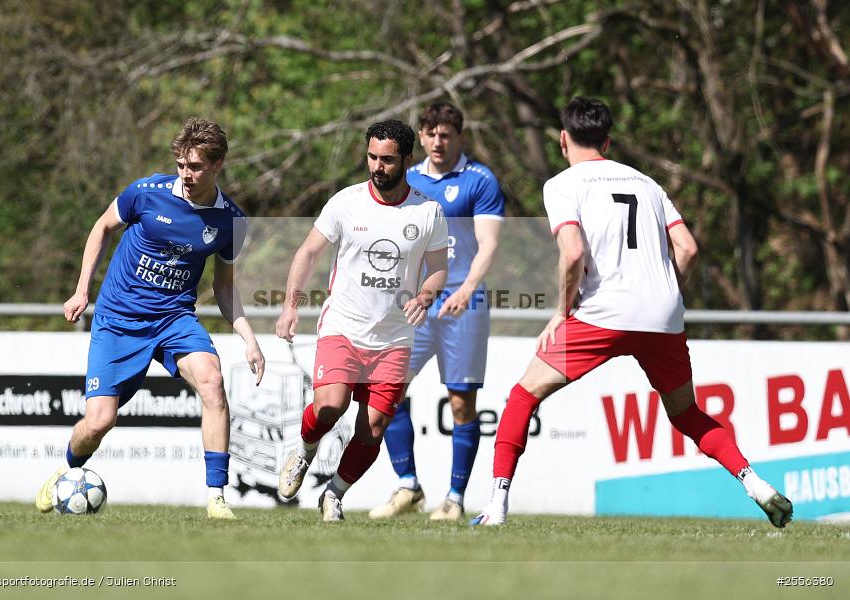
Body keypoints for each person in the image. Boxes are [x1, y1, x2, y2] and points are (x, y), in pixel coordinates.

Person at [472, 97, 793, 528]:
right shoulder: (647, 183)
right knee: (686, 414)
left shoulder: (563, 184)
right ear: (607, 140)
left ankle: (496, 507)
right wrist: (663, 291)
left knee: (523, 396)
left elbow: (572, 255)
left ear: (563, 139)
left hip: (602, 314)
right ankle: (755, 483)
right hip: (662, 316)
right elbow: (689, 249)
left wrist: (560, 312)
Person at [35, 117, 266, 520]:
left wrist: (249, 337)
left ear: (218, 164)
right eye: (181, 164)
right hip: (119, 318)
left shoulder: (231, 220)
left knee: (212, 381)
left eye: (195, 167)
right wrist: (81, 289)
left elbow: (225, 288)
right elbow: (102, 227)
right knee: (99, 422)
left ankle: (216, 498)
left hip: (174, 318)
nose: (186, 174)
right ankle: (66, 473)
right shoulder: (145, 193)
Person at [275, 119, 448, 522]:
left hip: (394, 339)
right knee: (330, 407)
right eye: (371, 157)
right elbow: (308, 253)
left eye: (387, 160)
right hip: (344, 328)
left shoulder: (428, 211)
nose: (377, 166)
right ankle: (304, 452)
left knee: (373, 428)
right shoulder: (345, 202)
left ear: (407, 159)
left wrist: (426, 294)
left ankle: (334, 494)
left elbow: (439, 267)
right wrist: (290, 305)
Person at [369, 102, 504, 521]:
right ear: (421, 138)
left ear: (459, 137)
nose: (438, 141)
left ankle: (455, 498)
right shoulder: (406, 180)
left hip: (464, 305)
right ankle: (408, 486)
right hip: (415, 306)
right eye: (430, 133)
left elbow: (490, 244)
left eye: (446, 134)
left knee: (462, 402)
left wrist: (466, 288)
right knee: (388, 391)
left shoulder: (479, 180)